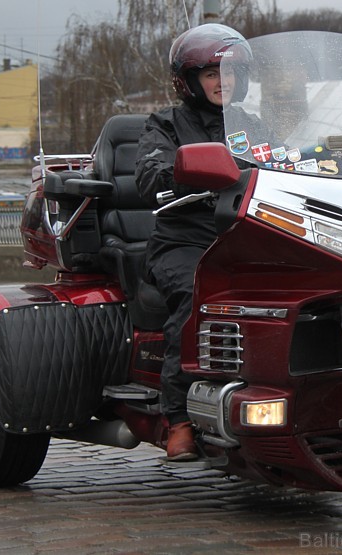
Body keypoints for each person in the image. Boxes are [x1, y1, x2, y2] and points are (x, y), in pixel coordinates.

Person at [135, 23, 252, 461]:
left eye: (231, 74)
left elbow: (287, 158)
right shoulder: (165, 124)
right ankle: (178, 418)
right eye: (211, 74)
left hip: (241, 238)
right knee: (195, 295)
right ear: (188, 81)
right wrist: (177, 172)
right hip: (183, 241)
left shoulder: (253, 125)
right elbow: (148, 173)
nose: (224, 82)